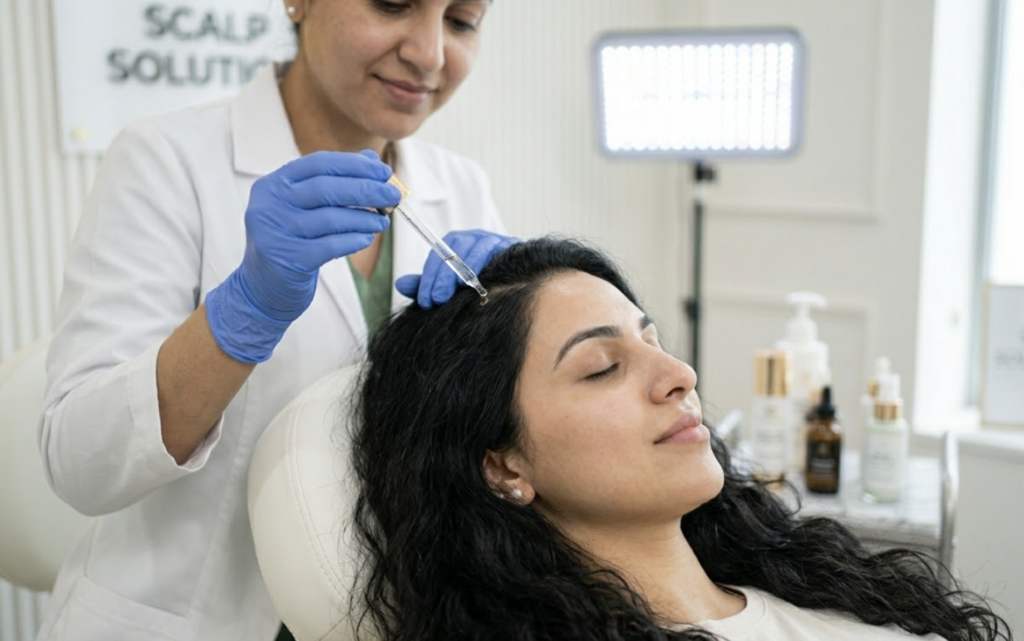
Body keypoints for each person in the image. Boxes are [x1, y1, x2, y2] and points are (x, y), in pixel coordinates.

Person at [37, 1, 511, 639]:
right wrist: (244, 312)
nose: (429, 53)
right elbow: (80, 463)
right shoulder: (165, 159)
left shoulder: (463, 186)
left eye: (461, 21)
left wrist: (511, 345)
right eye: (393, 4)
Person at [352, 237, 1012, 641]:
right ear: (502, 464)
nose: (681, 375)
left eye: (654, 339)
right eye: (602, 366)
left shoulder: (811, 579)